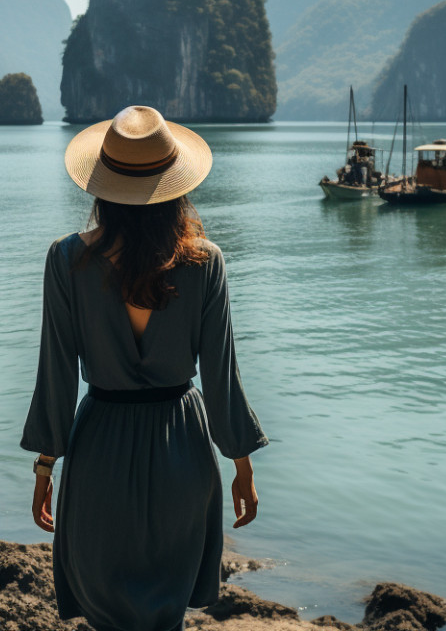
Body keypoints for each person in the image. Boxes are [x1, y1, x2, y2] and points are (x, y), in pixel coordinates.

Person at [21, 105, 269, 631]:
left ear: (102, 186)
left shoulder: (65, 260)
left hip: (99, 452)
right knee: (166, 613)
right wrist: (241, 464)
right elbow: (221, 376)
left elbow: (56, 375)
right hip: (182, 448)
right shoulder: (206, 261)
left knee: (107, 612)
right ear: (176, 185)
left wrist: (45, 466)